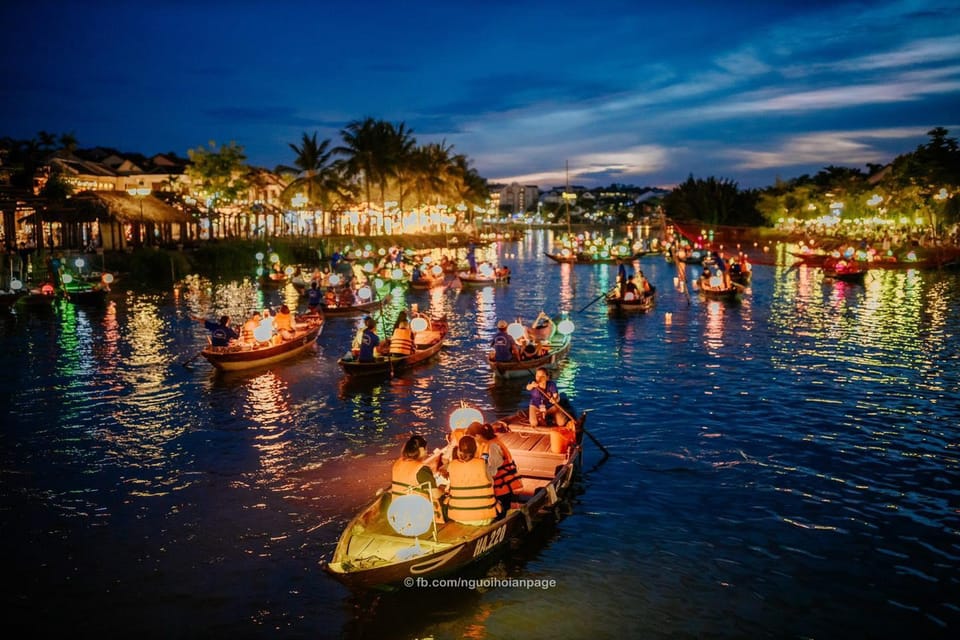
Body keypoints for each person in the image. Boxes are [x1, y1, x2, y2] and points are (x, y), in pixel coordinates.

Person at [467, 422, 523, 519]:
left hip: (502, 488)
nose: (474, 441)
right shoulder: (487, 444)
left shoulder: (493, 447)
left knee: (500, 513)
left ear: (478, 436)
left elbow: (493, 469)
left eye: (473, 438)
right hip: (499, 486)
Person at [391, 434, 444, 524]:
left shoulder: (398, 463)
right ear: (421, 449)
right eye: (426, 449)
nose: (427, 452)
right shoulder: (421, 469)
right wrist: (443, 489)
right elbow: (436, 495)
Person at [446, 435, 497, 526]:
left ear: (459, 450)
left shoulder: (451, 466)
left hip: (459, 517)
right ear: (475, 450)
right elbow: (491, 483)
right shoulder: (482, 464)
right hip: (482, 518)